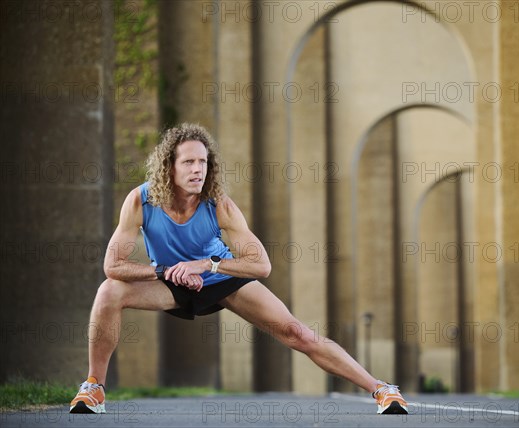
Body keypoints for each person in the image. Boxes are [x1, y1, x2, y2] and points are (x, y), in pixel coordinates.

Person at [69, 123, 408, 415]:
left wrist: (207, 264)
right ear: (168, 168)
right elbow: (112, 265)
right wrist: (163, 272)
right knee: (108, 290)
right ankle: (94, 386)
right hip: (170, 281)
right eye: (188, 162)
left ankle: (381, 389)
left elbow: (261, 264)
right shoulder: (140, 201)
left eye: (202, 162)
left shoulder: (220, 205)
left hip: (220, 279)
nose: (197, 169)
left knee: (297, 333)